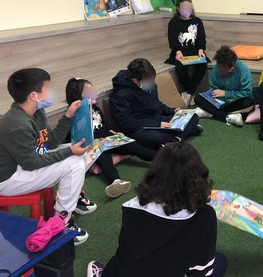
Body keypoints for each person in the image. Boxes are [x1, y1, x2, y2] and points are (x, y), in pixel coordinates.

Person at [0, 68, 93, 245]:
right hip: (8, 179)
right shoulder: (18, 124)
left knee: (78, 150)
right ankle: (62, 223)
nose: (51, 92)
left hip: (23, 163)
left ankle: (72, 198)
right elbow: (32, 163)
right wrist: (70, 152)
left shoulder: (36, 112)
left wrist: (67, 116)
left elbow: (50, 143)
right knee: (74, 162)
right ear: (33, 96)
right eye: (47, 88)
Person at [88, 142, 227, 277]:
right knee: (220, 260)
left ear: (156, 171)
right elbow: (201, 271)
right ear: (198, 175)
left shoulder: (134, 205)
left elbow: (127, 249)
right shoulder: (205, 215)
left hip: (120, 271)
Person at [65, 78, 158, 198]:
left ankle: (161, 159)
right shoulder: (74, 115)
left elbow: (105, 127)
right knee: (105, 160)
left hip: (108, 140)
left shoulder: (96, 109)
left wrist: (114, 133)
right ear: (78, 96)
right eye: (89, 91)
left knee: (133, 146)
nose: (93, 93)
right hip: (94, 146)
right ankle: (116, 181)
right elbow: (71, 138)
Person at [110, 58, 202, 151]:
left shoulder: (149, 84)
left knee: (193, 116)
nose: (152, 83)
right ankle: (185, 132)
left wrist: (172, 111)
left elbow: (156, 104)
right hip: (140, 128)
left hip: (158, 120)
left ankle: (176, 140)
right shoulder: (120, 95)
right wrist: (157, 125)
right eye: (148, 80)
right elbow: (127, 124)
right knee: (155, 137)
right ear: (135, 80)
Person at [193, 45, 254, 127]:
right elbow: (213, 89)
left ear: (233, 65)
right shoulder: (216, 68)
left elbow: (246, 92)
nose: (221, 71)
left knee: (248, 102)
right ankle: (227, 117)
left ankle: (211, 112)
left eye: (225, 69)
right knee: (198, 98)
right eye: (220, 68)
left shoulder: (243, 70)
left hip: (235, 101)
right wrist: (222, 98)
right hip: (220, 102)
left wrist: (226, 94)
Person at [165, 0, 208, 106]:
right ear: (178, 8)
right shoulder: (173, 22)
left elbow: (201, 38)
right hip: (180, 51)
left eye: (189, 7)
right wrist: (177, 52)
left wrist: (201, 50)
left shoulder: (197, 21)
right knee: (180, 65)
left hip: (195, 50)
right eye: (184, 7)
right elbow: (172, 40)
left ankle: (188, 93)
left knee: (203, 65)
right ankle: (190, 93)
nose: (187, 10)